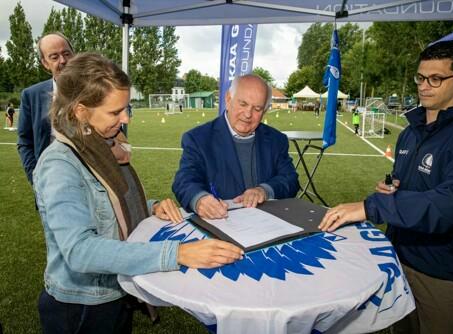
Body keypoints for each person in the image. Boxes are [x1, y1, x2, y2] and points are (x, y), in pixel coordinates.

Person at [33, 53, 243, 333]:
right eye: (114, 112)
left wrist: (150, 206)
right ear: (80, 111)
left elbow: (105, 207)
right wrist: (177, 253)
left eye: (126, 108)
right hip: (82, 308)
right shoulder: (60, 164)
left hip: (114, 291)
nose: (125, 118)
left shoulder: (99, 146)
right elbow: (80, 250)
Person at [319, 41, 453, 334]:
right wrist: (391, 188)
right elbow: (407, 184)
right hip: (397, 258)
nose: (424, 86)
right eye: (420, 77)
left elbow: (450, 204)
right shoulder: (411, 131)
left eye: (436, 79)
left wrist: (370, 206)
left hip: (441, 271)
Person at [173, 74, 299, 219]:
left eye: (257, 109)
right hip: (221, 228)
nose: (248, 114)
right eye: (243, 104)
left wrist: (264, 190)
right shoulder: (198, 139)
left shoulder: (277, 140)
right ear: (228, 99)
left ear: (264, 111)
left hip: (267, 227)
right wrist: (199, 199)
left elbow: (290, 180)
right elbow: (184, 180)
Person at [17, 32, 74, 185]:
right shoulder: (31, 95)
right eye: (54, 57)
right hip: (51, 180)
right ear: (45, 63)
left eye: (66, 53)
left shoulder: (94, 89)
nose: (63, 61)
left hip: (92, 182)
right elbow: (25, 142)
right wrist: (36, 177)